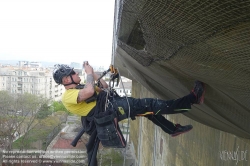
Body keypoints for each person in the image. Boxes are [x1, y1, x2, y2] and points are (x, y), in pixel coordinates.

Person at [53, 62, 205, 137]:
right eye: (73, 72)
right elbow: (90, 90)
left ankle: (172, 129)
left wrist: (93, 73)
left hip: (115, 105)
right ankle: (193, 98)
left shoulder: (80, 87)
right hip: (115, 109)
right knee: (150, 104)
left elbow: (104, 87)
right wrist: (88, 74)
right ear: (66, 80)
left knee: (149, 111)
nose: (77, 73)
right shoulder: (68, 96)